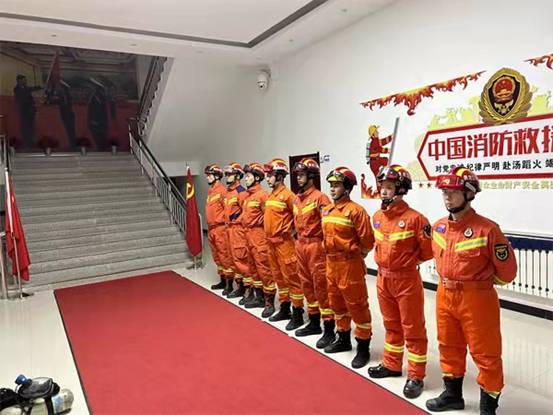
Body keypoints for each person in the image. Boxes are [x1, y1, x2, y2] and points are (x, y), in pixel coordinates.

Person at [426, 167, 517, 415]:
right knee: (448, 346)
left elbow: (507, 272)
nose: (447, 197)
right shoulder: (439, 227)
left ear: (469, 194)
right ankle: (452, 395)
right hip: (444, 295)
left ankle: (488, 407)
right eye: (444, 191)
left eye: (453, 192)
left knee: (486, 353)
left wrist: (480, 285)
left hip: (477, 299)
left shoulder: (488, 229)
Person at [367, 165, 433, 399]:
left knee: (413, 328)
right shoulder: (377, 217)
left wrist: (407, 263)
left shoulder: (416, 219)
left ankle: (416, 375)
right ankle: (392, 364)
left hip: (406, 280)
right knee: (391, 324)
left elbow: (428, 251)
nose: (383, 191)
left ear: (401, 189)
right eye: (382, 187)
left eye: (389, 187)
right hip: (383, 278)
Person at [322, 167, 375, 368]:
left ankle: (363, 348)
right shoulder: (327, 210)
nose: (332, 189)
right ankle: (343, 339)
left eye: (336, 185)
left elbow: (368, 242)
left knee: (357, 306)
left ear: (347, 188)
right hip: (331, 264)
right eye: (331, 185)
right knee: (336, 304)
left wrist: (356, 253)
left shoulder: (356, 211)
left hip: (349, 265)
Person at [291, 158, 335, 349]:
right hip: (301, 245)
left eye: (302, 175)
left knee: (321, 286)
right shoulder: (296, 199)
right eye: (298, 175)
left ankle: (329, 328)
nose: (298, 178)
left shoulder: (321, 198)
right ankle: (314, 322)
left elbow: (328, 226)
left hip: (316, 246)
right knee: (306, 284)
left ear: (311, 176)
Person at [263, 158, 305, 330]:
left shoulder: (289, 196)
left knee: (292, 278)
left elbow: (299, 218)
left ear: (280, 176)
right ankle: (285, 308)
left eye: (270, 175)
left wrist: (291, 232)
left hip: (285, 244)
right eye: (267, 175)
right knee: (279, 278)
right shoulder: (270, 195)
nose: (267, 179)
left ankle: (297, 313)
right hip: (271, 244)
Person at [241, 163, 277, 315]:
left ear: (257, 178)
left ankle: (269, 303)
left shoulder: (263, 196)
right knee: (253, 268)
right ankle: (259, 297)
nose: (245, 179)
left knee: (264, 269)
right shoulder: (248, 197)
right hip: (248, 236)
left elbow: (268, 219)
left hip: (259, 237)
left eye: (248, 176)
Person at [223, 162, 257, 299]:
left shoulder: (241, 192)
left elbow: (245, 212)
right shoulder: (228, 193)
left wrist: (238, 223)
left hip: (238, 230)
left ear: (237, 176)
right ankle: (240, 287)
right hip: (229, 229)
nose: (227, 176)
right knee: (233, 260)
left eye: (230, 174)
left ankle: (249, 289)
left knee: (242, 260)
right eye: (226, 174)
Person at [204, 164, 235, 290]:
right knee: (217, 256)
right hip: (211, 229)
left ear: (216, 176)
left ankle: (229, 284)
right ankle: (222, 280)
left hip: (220, 228)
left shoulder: (222, 191)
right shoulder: (211, 192)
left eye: (209, 175)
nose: (207, 177)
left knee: (224, 255)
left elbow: (227, 211)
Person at [13, 75, 42, 149]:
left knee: (31, 126)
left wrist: (40, 87)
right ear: (19, 80)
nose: (25, 81)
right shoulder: (17, 89)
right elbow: (23, 98)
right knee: (25, 127)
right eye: (24, 80)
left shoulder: (25, 88)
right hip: (24, 111)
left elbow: (31, 89)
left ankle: (31, 142)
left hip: (30, 111)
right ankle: (27, 143)